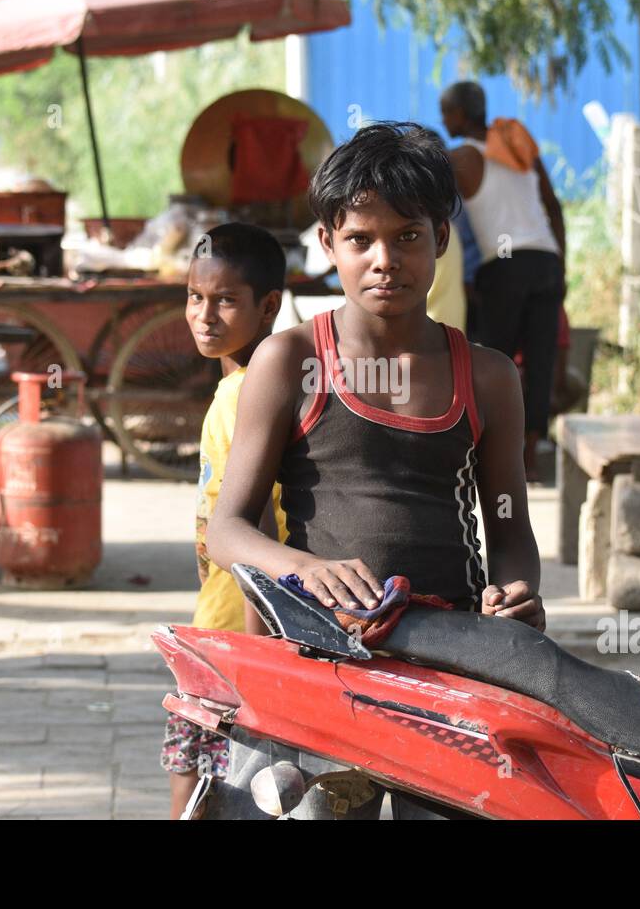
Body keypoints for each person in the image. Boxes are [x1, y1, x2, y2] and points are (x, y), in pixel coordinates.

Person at [205, 122, 542, 819]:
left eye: (407, 236)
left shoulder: (486, 376)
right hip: (321, 658)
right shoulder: (290, 360)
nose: (384, 259)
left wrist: (516, 595)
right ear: (327, 245)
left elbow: (508, 526)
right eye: (360, 240)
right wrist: (304, 568)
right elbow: (227, 531)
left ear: (442, 238)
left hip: (450, 663)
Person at [161, 221, 287, 819]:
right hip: (225, 620)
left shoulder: (245, 395)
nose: (204, 315)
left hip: (238, 633)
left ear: (269, 307)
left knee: (200, 776)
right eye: (194, 297)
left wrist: (256, 662)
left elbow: (254, 531)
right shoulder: (246, 383)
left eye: (226, 301)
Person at [440, 81, 566, 482]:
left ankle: (488, 456)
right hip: (546, 259)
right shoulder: (520, 147)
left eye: (446, 113)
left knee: (495, 361)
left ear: (460, 114)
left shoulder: (462, 158)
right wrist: (562, 263)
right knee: (540, 361)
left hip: (506, 264)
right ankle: (528, 457)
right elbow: (553, 205)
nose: (443, 121)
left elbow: (424, 192)